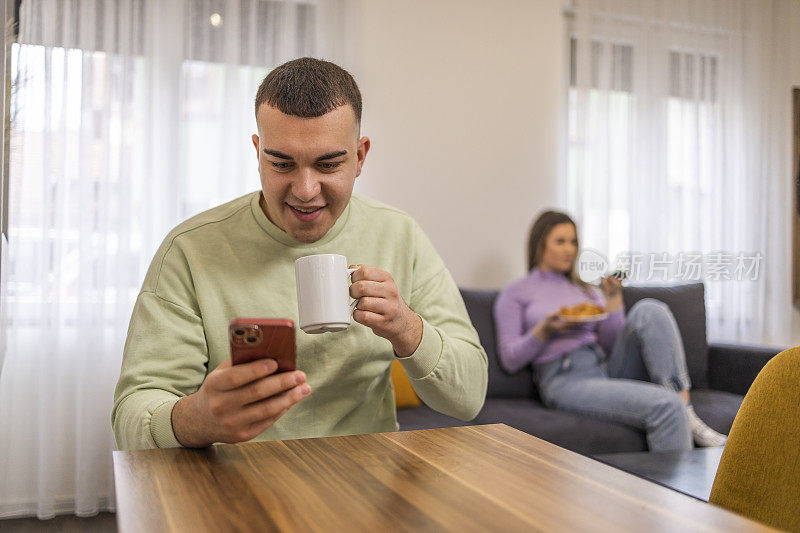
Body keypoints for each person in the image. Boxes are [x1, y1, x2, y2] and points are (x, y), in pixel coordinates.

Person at [112, 58, 488, 450]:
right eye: (281, 163)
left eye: (328, 164)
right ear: (257, 153)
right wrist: (197, 419)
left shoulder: (399, 234)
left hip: (364, 484)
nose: (306, 190)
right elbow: (131, 417)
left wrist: (406, 328)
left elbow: (469, 398)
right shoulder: (191, 250)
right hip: (234, 488)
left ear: (360, 157)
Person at [494, 211, 725, 451]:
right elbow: (510, 359)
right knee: (666, 406)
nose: (569, 250)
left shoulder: (586, 291)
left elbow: (611, 343)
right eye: (560, 241)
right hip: (565, 379)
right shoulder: (516, 293)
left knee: (650, 309)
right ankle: (674, 485)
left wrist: (612, 297)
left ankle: (686, 408)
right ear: (539, 244)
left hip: (604, 367)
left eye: (573, 242)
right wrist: (544, 330)